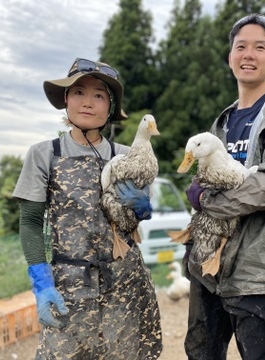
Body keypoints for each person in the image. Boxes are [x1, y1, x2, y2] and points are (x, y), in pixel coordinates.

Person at [183, 14, 265, 359]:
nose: (249, 54)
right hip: (210, 263)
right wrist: (196, 194)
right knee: (201, 352)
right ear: (230, 57)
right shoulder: (222, 121)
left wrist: (207, 202)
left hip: (260, 266)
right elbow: (205, 176)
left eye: (260, 47)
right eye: (241, 46)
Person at [13, 58, 162, 359]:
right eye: (79, 92)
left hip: (125, 287)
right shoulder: (44, 155)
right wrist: (42, 284)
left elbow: (137, 215)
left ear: (110, 106)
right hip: (69, 288)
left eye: (99, 95)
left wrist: (143, 208)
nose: (88, 103)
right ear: (66, 99)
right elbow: (30, 222)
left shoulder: (127, 156)